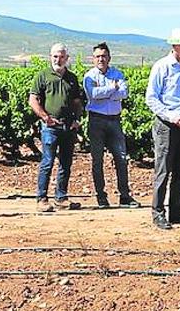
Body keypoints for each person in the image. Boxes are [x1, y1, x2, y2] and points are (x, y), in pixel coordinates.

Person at [145, 27, 180, 230]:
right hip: (166, 124)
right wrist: (171, 116)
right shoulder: (161, 67)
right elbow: (151, 98)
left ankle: (176, 212)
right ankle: (158, 213)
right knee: (163, 169)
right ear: (174, 46)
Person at [83, 42, 139, 208]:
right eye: (98, 56)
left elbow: (124, 93)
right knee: (97, 160)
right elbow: (93, 95)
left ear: (109, 57)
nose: (101, 59)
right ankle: (101, 196)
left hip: (115, 120)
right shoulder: (89, 76)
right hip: (96, 121)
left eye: (104, 56)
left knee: (121, 158)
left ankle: (124, 196)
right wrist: (112, 88)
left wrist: (106, 92)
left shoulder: (117, 73)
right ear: (93, 59)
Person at [29, 43, 83, 212]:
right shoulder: (42, 76)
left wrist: (77, 120)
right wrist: (45, 117)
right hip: (50, 127)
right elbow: (33, 100)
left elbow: (77, 102)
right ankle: (42, 199)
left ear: (66, 58)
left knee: (65, 163)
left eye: (61, 56)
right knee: (47, 162)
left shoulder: (72, 78)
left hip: (68, 127)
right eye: (55, 56)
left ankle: (61, 198)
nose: (58, 59)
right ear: (50, 57)